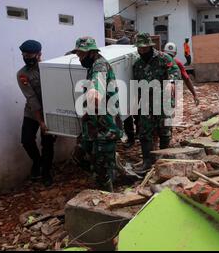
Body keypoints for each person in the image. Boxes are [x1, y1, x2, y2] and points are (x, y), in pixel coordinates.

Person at [72, 36, 123, 192]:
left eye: (81, 54)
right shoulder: (92, 65)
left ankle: (109, 201)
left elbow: (98, 83)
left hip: (105, 128)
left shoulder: (99, 65)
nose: (80, 58)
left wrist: (95, 91)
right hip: (93, 124)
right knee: (81, 156)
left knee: (101, 171)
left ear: (92, 52)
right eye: (78, 54)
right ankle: (110, 169)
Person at [133, 33, 181, 172]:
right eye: (139, 49)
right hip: (146, 104)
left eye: (144, 48)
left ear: (150, 46)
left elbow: (174, 71)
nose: (142, 51)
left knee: (164, 132)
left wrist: (171, 82)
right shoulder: (137, 64)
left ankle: (164, 161)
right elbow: (136, 85)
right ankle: (148, 162)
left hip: (163, 102)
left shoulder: (163, 58)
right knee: (144, 133)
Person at [17, 40, 56, 187]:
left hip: (50, 111)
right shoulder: (22, 74)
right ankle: (37, 162)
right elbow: (32, 99)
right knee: (26, 140)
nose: (26, 57)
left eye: (29, 54)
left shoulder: (49, 69)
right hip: (33, 113)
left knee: (47, 143)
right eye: (24, 54)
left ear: (39, 54)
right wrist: (40, 121)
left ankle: (46, 173)